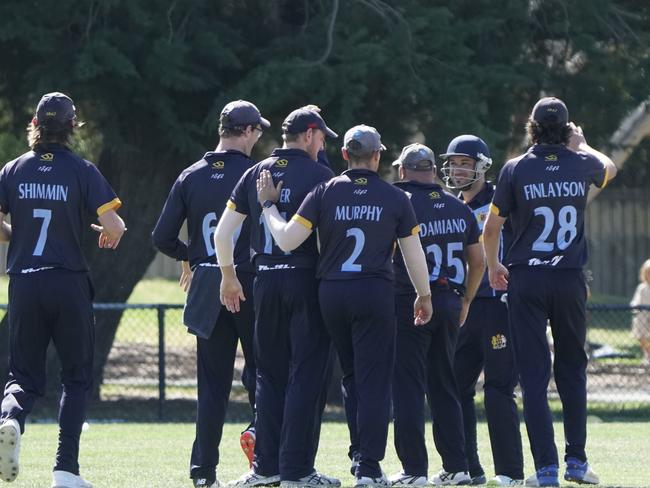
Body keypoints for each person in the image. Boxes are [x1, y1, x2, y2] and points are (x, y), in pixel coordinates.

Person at [256, 125, 433, 488]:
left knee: (352, 377)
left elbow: (288, 239)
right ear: (379, 156)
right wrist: (424, 295)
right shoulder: (396, 198)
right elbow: (414, 257)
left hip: (332, 294)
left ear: (345, 156)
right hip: (374, 292)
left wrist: (269, 205)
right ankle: (367, 467)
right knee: (374, 381)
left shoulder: (324, 191)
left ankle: (358, 457)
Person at [483, 97, 618, 487]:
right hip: (570, 279)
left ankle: (545, 470)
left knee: (534, 375)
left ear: (533, 128)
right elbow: (608, 168)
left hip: (528, 279)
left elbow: (491, 229)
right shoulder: (580, 162)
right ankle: (576, 461)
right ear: (566, 130)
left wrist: (494, 267)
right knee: (573, 370)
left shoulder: (515, 169)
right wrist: (583, 144)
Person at [0, 92, 125, 488]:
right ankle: (65, 470)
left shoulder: (13, 169)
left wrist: (16, 236)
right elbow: (116, 228)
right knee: (75, 377)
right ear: (73, 128)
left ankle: (9, 419)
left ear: (34, 125)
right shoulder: (82, 170)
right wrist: (105, 234)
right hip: (67, 282)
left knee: (22, 375)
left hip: (25, 282)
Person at [215, 107, 339, 488]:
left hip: (264, 281)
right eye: (321, 138)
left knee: (268, 375)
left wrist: (228, 278)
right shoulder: (322, 176)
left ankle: (264, 468)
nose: (322, 145)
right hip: (305, 282)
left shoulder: (255, 173)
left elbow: (223, 234)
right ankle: (298, 470)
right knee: (306, 376)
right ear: (310, 134)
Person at [152, 100, 269, 487]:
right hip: (249, 280)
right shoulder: (256, 174)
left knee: (212, 385)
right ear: (249, 131)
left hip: (205, 283)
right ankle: (262, 451)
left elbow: (162, 237)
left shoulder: (190, 174)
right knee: (264, 372)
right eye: (258, 131)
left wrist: (194, 258)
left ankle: (203, 473)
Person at [388, 143, 485, 487]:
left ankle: (413, 469)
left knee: (408, 386)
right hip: (451, 300)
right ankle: (457, 466)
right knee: (445, 384)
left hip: (410, 300)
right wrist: (468, 299)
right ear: (433, 170)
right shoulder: (459, 207)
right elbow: (479, 261)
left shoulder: (398, 200)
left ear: (402, 170)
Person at [439, 135, 524, 486]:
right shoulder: (449, 206)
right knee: (454, 387)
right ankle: (467, 468)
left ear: (482, 166)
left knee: (498, 389)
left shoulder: (500, 200)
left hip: (498, 306)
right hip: (465, 306)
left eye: (464, 163)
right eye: (454, 162)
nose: (457, 169)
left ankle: (510, 472)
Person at [630, 259, 650, 364]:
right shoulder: (642, 288)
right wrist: (635, 306)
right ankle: (647, 354)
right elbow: (636, 301)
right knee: (642, 337)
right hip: (642, 316)